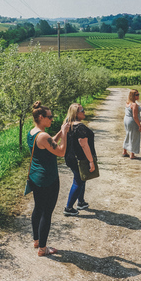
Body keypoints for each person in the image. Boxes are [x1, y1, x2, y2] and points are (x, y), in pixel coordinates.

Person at [26, 101, 70, 256]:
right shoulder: (43, 136)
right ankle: (43, 249)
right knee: (47, 212)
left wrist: (59, 131)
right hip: (47, 179)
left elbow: (49, 142)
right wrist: (64, 134)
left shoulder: (33, 133)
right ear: (40, 117)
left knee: (38, 208)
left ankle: (37, 240)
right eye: (50, 117)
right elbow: (60, 152)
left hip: (35, 177)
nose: (52, 119)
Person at [62, 103, 96, 216]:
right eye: (82, 110)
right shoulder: (80, 127)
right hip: (80, 159)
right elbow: (84, 145)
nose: (84, 112)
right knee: (78, 181)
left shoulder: (67, 124)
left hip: (70, 157)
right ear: (76, 113)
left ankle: (81, 202)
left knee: (82, 177)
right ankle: (69, 208)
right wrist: (91, 161)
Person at [122, 89, 141, 159]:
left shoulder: (128, 103)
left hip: (126, 120)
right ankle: (132, 154)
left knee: (128, 134)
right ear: (133, 96)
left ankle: (124, 151)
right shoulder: (134, 105)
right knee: (134, 137)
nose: (138, 96)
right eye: (137, 95)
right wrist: (139, 125)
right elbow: (135, 116)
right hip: (132, 121)